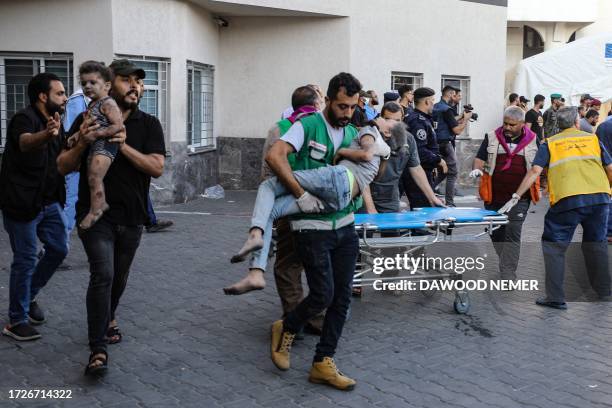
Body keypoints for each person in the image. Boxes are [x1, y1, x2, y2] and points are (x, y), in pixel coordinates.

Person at [57, 59, 165, 375]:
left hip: (132, 217)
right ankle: (98, 349)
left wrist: (124, 145)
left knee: (118, 278)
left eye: (140, 82)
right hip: (95, 216)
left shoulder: (148, 124)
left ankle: (110, 315)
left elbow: (157, 167)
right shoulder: (86, 117)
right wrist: (85, 142)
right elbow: (63, 165)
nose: (136, 86)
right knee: (102, 275)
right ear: (109, 83)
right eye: (127, 80)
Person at [266, 72, 363, 390]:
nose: (347, 113)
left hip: (345, 225)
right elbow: (274, 156)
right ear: (330, 99)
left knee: (342, 298)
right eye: (342, 106)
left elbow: (362, 173)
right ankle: (287, 326)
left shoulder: (351, 133)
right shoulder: (306, 125)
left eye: (352, 107)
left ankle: (323, 362)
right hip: (311, 225)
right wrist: (300, 194)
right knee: (323, 293)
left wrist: (359, 191)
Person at [231, 117, 395, 268]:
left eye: (388, 120)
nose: (382, 117)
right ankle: (257, 269)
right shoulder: (383, 153)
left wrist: (341, 152)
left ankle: (255, 239)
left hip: (337, 179)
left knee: (268, 186)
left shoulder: (370, 131)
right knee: (272, 210)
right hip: (340, 201)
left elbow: (366, 154)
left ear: (386, 131)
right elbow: (373, 173)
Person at [500, 107, 612, 309]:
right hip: (599, 198)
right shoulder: (593, 139)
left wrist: (516, 195)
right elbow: (609, 168)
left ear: (558, 124)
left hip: (568, 200)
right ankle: (604, 291)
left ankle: (555, 297)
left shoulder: (550, 143)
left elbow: (535, 171)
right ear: (577, 122)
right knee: (596, 244)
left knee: (554, 247)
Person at [223, 84, 322, 296]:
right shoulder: (322, 126)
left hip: (286, 202)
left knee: (287, 265)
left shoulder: (278, 128)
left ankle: (258, 271)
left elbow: (267, 173)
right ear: (316, 104)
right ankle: (315, 316)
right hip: (319, 204)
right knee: (317, 266)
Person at [0, 73, 68, 341]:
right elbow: (25, 142)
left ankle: (28, 296)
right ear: (43, 96)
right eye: (60, 93)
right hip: (22, 204)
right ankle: (16, 320)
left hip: (49, 201)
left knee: (59, 248)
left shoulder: (57, 122)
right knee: (26, 258)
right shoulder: (24, 119)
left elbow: (62, 154)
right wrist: (46, 134)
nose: (64, 98)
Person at [470, 106, 540, 281]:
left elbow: (540, 167)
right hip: (493, 196)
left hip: (520, 198)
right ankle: (505, 261)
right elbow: (480, 158)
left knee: (512, 234)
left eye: (512, 125)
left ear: (522, 124)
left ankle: (508, 273)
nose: (507, 127)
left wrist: (545, 183)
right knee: (496, 233)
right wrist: (478, 170)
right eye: (505, 123)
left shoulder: (533, 140)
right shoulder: (492, 136)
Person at [367, 102, 444, 216]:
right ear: (381, 118)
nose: (392, 125)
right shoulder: (369, 136)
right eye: (387, 119)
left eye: (397, 121)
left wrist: (432, 198)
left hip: (390, 196)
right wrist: (370, 207)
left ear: (402, 120)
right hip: (367, 193)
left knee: (393, 231)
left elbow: (416, 169)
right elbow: (361, 176)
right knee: (365, 230)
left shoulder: (408, 139)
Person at [77, 61, 125, 230]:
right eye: (83, 83)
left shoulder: (108, 103)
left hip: (106, 145)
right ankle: (100, 203)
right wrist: (76, 136)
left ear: (106, 85)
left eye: (92, 82)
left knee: (95, 177)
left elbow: (118, 125)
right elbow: (87, 126)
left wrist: (97, 134)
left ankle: (96, 210)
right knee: (92, 178)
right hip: (95, 147)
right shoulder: (92, 104)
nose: (87, 86)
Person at [401, 87, 447, 210]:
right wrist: (438, 160)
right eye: (432, 100)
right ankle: (418, 230)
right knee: (422, 208)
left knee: (426, 206)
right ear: (427, 102)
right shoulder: (417, 121)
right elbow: (419, 151)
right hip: (416, 172)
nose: (434, 104)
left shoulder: (423, 119)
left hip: (424, 169)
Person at [432, 86, 471, 206]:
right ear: (449, 94)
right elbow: (457, 130)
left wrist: (461, 116)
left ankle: (426, 190)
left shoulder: (436, 107)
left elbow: (448, 120)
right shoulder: (447, 109)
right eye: (454, 94)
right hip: (446, 144)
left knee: (443, 172)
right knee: (452, 172)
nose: (455, 97)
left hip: (436, 143)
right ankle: (450, 203)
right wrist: (466, 120)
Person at [596, 113, 612, 242]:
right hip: (609, 165)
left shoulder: (601, 126)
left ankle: (606, 231)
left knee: (607, 197)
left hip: (602, 166)